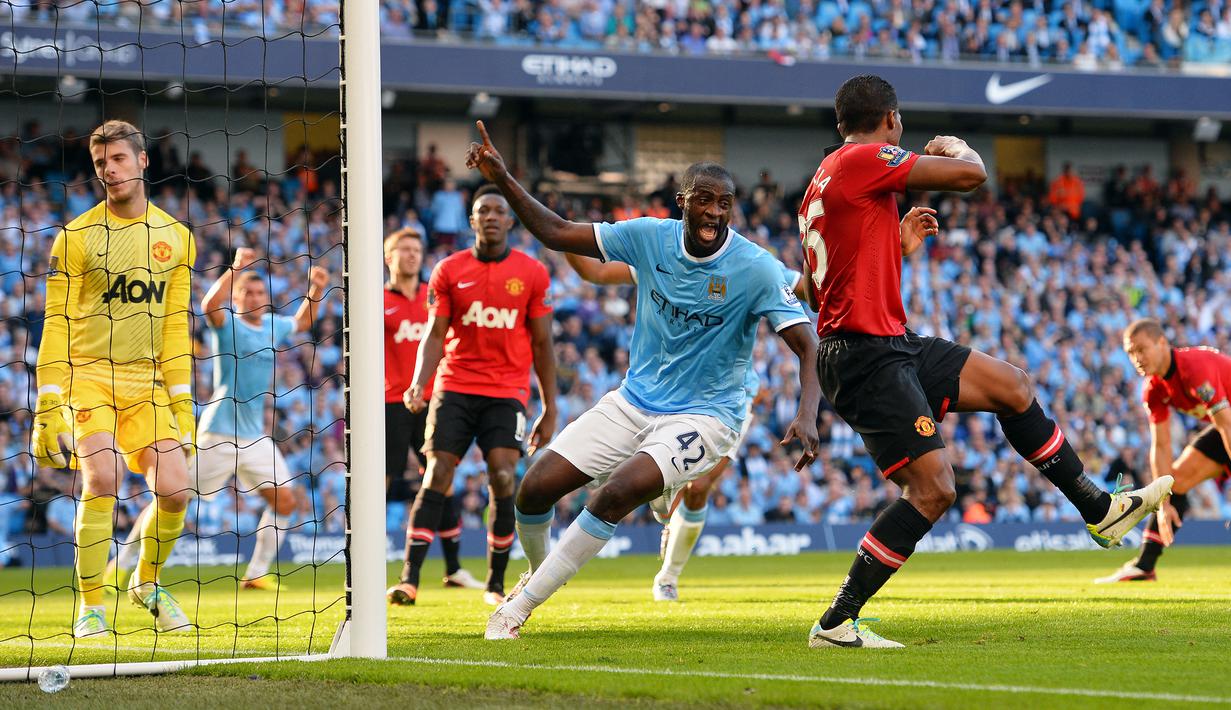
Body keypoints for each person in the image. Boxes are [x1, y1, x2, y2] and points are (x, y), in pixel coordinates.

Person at [798, 75, 1173, 649]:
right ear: (891, 119)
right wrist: (956, 148)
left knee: (1012, 386)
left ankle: (1100, 510)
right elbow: (971, 176)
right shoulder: (863, 159)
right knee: (934, 489)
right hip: (865, 353)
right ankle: (835, 622)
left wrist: (894, 245)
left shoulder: (820, 183)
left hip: (886, 343)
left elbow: (812, 285)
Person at [464, 120, 821, 640]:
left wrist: (807, 413)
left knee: (614, 494)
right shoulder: (648, 238)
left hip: (707, 414)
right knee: (533, 489)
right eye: (704, 200)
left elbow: (808, 343)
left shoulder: (755, 267)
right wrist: (502, 176)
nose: (714, 212)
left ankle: (517, 610)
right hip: (634, 401)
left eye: (724, 204)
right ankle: (538, 576)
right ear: (682, 202)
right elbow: (558, 232)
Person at [560, 247, 835, 601]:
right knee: (656, 475)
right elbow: (595, 272)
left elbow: (813, 291)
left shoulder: (755, 266)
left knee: (700, 487)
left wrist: (835, 260)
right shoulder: (664, 255)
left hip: (728, 398)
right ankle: (667, 494)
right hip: (665, 392)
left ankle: (668, 576)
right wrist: (563, 233)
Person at [32, 120, 197, 637]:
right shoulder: (75, 237)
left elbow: (174, 327)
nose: (110, 169)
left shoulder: (177, 238)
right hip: (89, 375)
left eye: (119, 158)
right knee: (102, 478)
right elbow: (56, 322)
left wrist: (183, 401)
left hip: (146, 381)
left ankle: (146, 583)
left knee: (176, 489)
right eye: (101, 162)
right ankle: (90, 607)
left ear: (143, 160)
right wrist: (48, 401)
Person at [108, 247, 326, 592]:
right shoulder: (228, 326)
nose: (255, 297)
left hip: (255, 437)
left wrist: (316, 290)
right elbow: (209, 305)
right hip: (218, 433)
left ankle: (255, 574)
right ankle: (119, 566)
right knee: (171, 496)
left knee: (285, 501)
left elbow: (302, 322)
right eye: (247, 292)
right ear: (236, 298)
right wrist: (236, 268)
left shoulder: (273, 326)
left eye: (260, 292)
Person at [386, 185, 558, 607]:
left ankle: (495, 584)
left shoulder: (533, 273)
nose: (492, 216)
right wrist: (419, 381)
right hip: (455, 386)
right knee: (437, 472)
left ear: (510, 220)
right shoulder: (449, 269)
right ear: (472, 220)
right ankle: (409, 579)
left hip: (506, 391)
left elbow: (542, 344)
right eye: (484, 211)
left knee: (502, 476)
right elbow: (434, 333)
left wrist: (550, 406)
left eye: (499, 211)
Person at [383, 227, 483, 591]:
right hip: (390, 403)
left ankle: (454, 569)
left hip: (433, 399)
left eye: (416, 249)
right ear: (389, 257)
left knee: (443, 479)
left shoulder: (434, 296)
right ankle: (365, 560)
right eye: (404, 249)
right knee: (382, 482)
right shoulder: (377, 299)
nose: (412, 254)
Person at [1096, 319, 1230, 583]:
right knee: (1173, 484)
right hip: (1225, 426)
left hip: (1227, 425)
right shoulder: (1153, 389)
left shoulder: (1195, 368)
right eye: (1131, 352)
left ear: (1162, 343)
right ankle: (1144, 566)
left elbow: (1226, 425)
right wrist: (1163, 502)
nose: (1137, 358)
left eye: (1141, 349)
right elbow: (1161, 445)